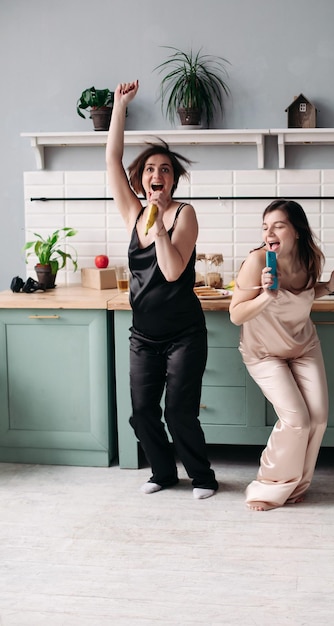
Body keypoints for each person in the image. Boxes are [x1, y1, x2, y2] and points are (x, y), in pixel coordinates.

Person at [106, 80, 218, 499]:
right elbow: (111, 158)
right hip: (143, 335)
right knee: (141, 413)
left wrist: (158, 222)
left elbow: (172, 272)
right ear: (141, 178)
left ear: (173, 181)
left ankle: (203, 477)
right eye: (151, 169)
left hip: (184, 335)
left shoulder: (185, 215)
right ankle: (163, 473)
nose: (157, 174)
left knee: (179, 412)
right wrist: (120, 108)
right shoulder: (132, 212)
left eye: (165, 170)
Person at [229, 199, 334, 511]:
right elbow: (236, 314)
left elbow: (306, 294)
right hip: (264, 353)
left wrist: (332, 285)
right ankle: (269, 488)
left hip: (303, 346)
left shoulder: (310, 259)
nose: (269, 232)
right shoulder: (258, 262)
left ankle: (297, 485)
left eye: (278, 225)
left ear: (297, 231)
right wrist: (265, 296)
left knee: (319, 417)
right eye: (265, 226)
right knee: (297, 419)